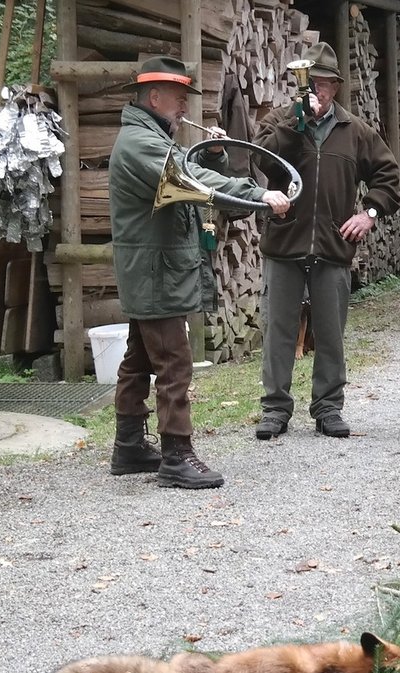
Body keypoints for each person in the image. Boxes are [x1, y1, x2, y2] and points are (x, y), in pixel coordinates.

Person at [107, 56, 291, 488]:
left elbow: (196, 181)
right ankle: (176, 456)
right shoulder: (141, 144)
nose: (185, 109)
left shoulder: (150, 137)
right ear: (153, 97)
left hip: (153, 270)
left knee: (137, 360)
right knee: (174, 363)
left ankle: (129, 446)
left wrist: (216, 156)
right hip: (156, 273)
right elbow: (193, 182)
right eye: (177, 99)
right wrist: (261, 194)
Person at [251, 43, 400, 440]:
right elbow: (262, 161)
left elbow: (389, 178)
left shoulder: (356, 131)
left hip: (333, 247)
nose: (317, 90)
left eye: (324, 83)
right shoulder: (278, 121)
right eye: (310, 82)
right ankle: (275, 409)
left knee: (331, 333)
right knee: (278, 330)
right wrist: (294, 126)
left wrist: (367, 214)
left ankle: (329, 407)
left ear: (335, 87)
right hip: (284, 243)